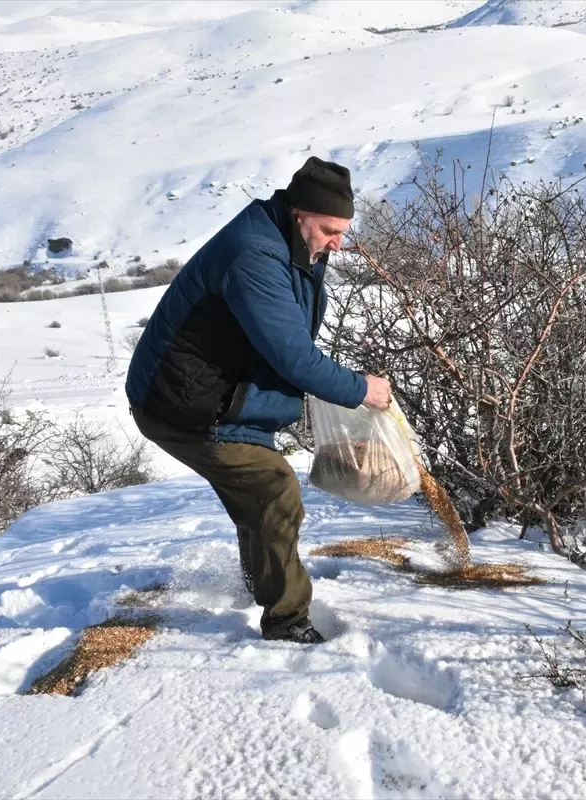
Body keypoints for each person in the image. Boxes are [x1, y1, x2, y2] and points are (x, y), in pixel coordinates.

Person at [125, 157, 391, 644]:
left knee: (259, 498)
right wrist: (360, 389)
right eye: (331, 230)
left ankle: (261, 585)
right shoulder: (256, 256)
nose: (339, 243)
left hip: (215, 396)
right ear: (299, 215)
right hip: (184, 406)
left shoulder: (292, 243)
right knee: (272, 487)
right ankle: (288, 622)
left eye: (343, 231)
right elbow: (293, 355)